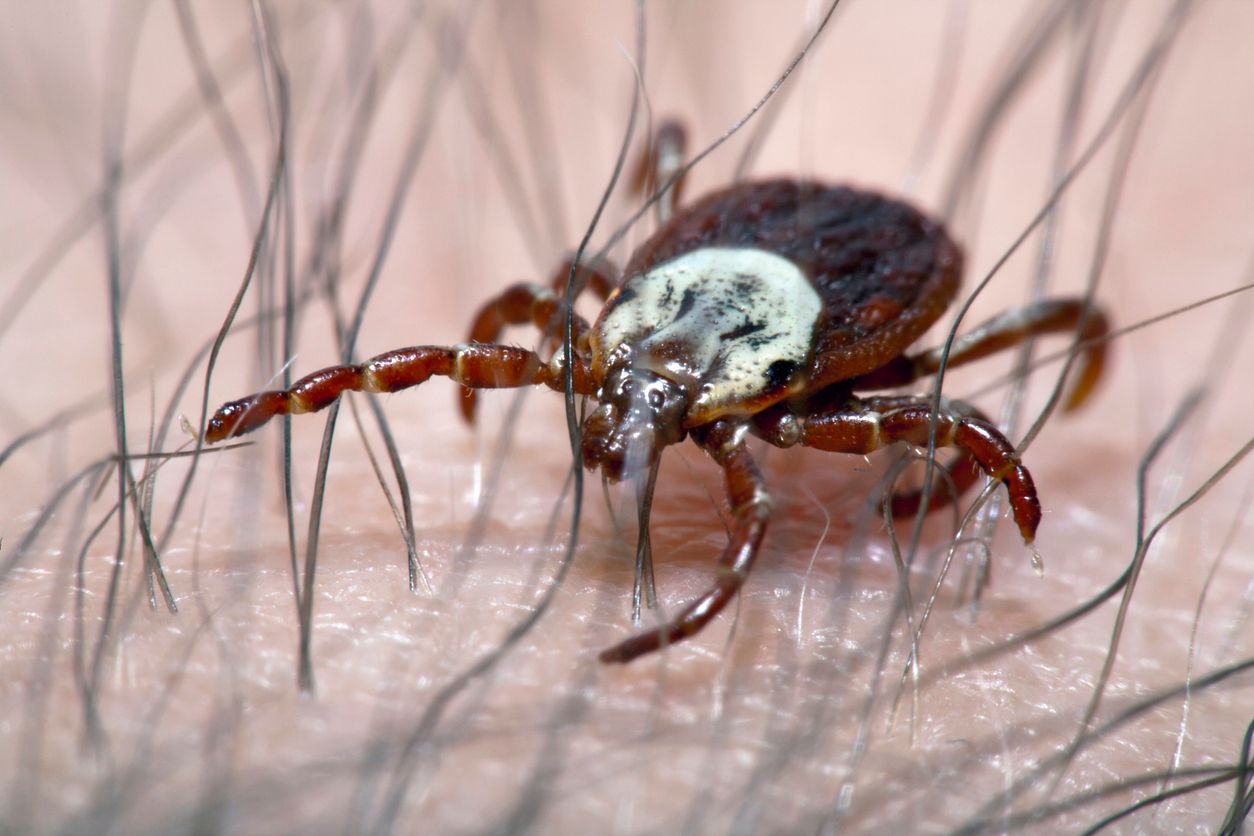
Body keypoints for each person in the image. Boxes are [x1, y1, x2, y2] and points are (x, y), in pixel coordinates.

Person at [1, 1, 1250, 831]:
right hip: (792, 247)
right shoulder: (604, 329)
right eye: (605, 374)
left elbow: (963, 433)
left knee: (951, 416)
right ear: (609, 324)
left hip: (856, 284)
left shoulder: (810, 403)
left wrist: (942, 475)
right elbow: (533, 311)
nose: (620, 415)